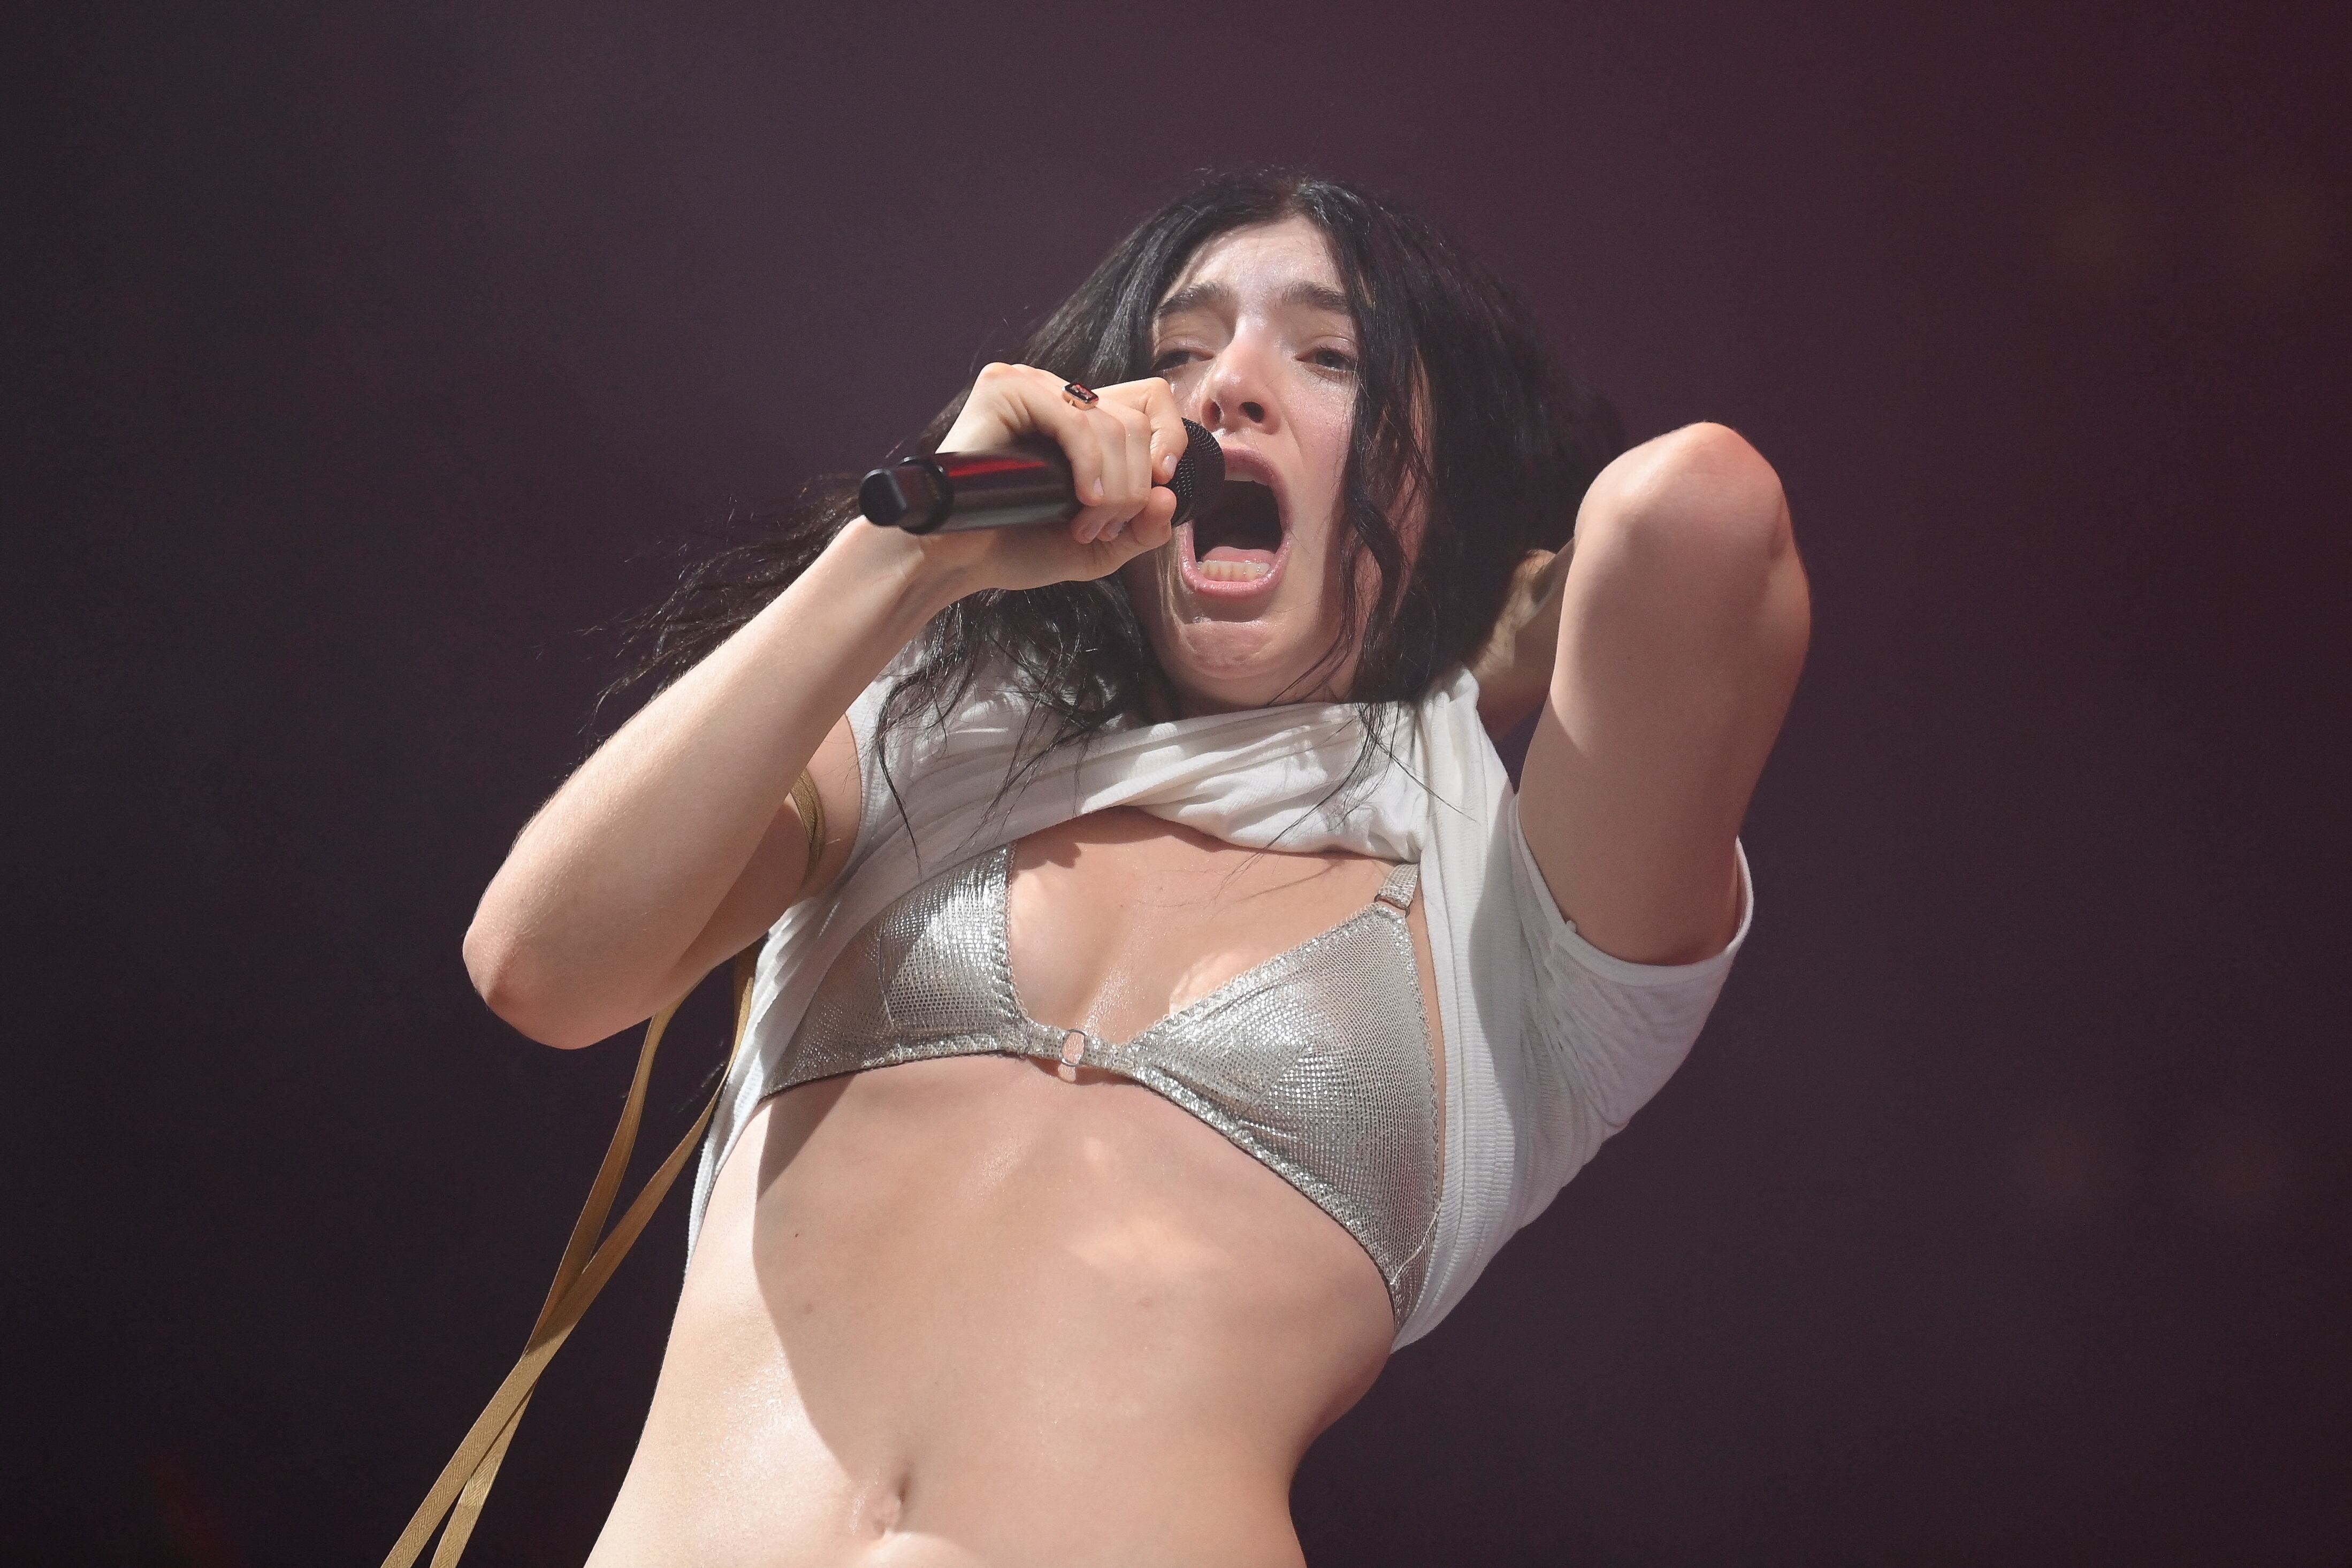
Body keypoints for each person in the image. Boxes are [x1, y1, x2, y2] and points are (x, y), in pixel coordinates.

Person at [462, 169, 1809, 1566]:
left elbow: (1696, 509)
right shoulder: (930, 736)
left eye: (1327, 352)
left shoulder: (1501, 919)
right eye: (1173, 352)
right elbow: (542, 964)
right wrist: (910, 560)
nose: (1221, 384)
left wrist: (1479, 611)